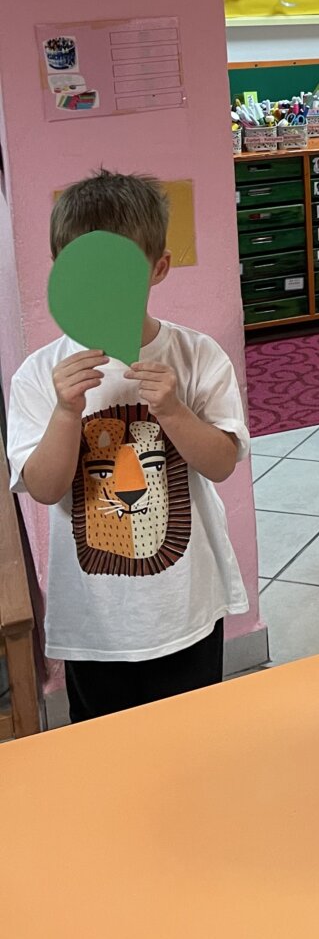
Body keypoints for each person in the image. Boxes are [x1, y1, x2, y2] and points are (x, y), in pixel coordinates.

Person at [6, 170, 249, 722]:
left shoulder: (197, 356)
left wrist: (175, 411)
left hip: (186, 609)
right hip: (94, 623)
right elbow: (43, 489)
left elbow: (221, 464)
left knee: (193, 739)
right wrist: (65, 413)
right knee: (106, 750)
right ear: (59, 270)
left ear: (158, 268)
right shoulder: (38, 376)